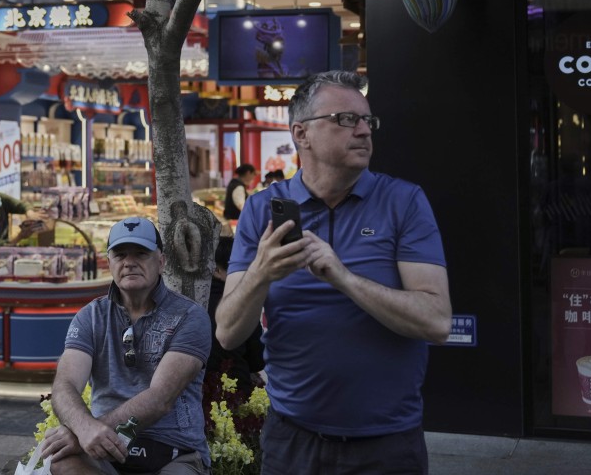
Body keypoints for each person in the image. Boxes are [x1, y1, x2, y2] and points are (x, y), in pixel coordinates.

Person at [215, 70, 451, 475]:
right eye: (346, 119)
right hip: (292, 441)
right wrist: (262, 273)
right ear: (301, 134)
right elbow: (228, 332)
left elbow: (437, 321)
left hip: (388, 443)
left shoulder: (404, 202)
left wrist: (343, 278)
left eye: (368, 120)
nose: (364, 131)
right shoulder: (261, 210)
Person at [40, 217, 211, 475]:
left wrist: (85, 433)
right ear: (109, 263)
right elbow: (65, 385)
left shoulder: (190, 316)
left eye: (141, 253)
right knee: (57, 463)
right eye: (120, 255)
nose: (129, 262)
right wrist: (85, 429)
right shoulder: (90, 316)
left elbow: (159, 399)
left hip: (172, 451)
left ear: (161, 262)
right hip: (104, 452)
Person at [205, 236, 264, 396]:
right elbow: (258, 359)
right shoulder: (241, 305)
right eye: (237, 267)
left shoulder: (192, 301)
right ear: (217, 270)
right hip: (236, 397)